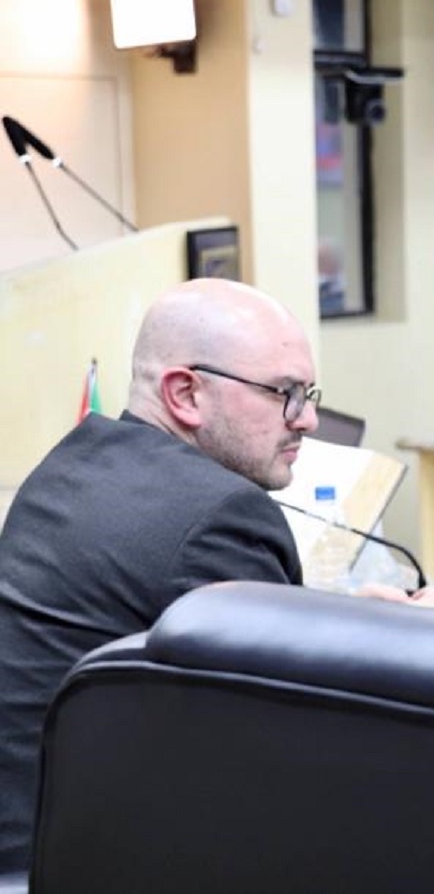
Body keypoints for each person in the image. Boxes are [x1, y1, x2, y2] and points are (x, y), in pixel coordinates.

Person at [0, 279, 316, 871]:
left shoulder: (78, 460)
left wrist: (349, 618)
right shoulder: (221, 513)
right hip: (72, 861)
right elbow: (291, 730)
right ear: (185, 393)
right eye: (286, 393)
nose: (309, 419)